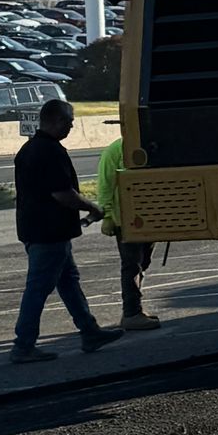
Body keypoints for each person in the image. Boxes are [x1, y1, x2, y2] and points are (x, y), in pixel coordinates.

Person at [10, 99, 120, 364]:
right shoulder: (49, 152)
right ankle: (23, 345)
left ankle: (89, 331)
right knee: (38, 288)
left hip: (37, 228)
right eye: (69, 121)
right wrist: (93, 207)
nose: (72, 126)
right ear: (56, 121)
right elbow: (62, 193)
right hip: (50, 232)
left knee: (68, 281)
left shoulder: (29, 149)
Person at [96, 132, 159, 331]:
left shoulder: (153, 146)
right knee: (132, 265)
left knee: (143, 263)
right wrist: (106, 215)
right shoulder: (115, 150)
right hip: (125, 219)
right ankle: (131, 312)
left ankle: (135, 308)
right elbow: (105, 183)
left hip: (148, 218)